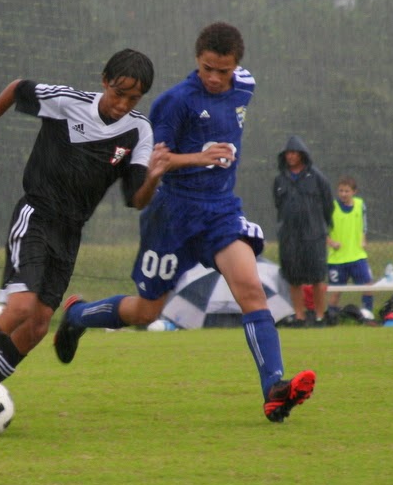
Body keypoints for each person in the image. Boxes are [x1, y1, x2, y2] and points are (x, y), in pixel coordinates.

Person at [54, 22, 316, 423]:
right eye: (207, 68)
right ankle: (77, 316)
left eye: (223, 70)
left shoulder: (245, 86)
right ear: (197, 59)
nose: (214, 77)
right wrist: (198, 157)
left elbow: (238, 98)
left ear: (236, 67)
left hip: (220, 212)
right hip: (172, 215)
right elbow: (154, 162)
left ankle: (274, 390)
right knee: (146, 312)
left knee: (251, 291)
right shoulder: (175, 103)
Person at [0, 48, 167, 436]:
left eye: (133, 99)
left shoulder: (139, 131)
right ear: (105, 80)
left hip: (70, 233)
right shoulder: (67, 102)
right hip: (36, 215)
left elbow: (136, 199)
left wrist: (153, 176)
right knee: (20, 306)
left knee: (36, 328)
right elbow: (17, 87)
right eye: (119, 93)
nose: (123, 104)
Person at [273, 135, 333, 326]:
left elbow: (327, 204)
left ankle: (320, 316)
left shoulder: (316, 178)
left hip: (313, 235)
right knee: (294, 278)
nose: (291, 157)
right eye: (288, 153)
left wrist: (321, 226)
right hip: (290, 237)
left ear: (302, 155)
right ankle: (299, 316)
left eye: (294, 153)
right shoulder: (280, 179)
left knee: (317, 277)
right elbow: (278, 204)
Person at [326, 176, 374, 322]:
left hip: (357, 256)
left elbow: (363, 224)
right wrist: (331, 242)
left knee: (368, 287)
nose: (343, 194)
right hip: (337, 259)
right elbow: (322, 230)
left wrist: (363, 238)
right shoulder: (332, 207)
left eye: (347, 191)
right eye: (341, 191)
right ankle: (331, 319)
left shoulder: (360, 205)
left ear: (354, 191)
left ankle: (367, 316)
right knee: (336, 291)